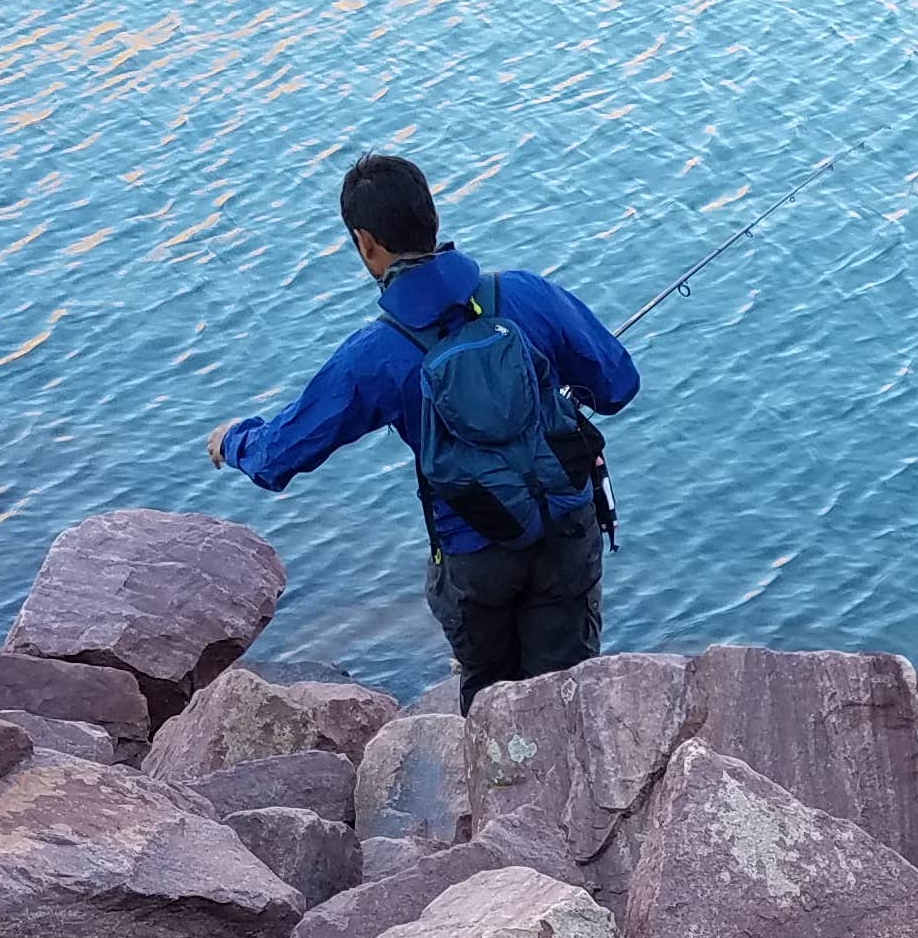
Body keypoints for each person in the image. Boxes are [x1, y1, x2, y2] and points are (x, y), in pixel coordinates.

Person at [206, 155, 639, 698]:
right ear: (432, 218)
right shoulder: (523, 294)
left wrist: (233, 439)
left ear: (365, 243)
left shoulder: (376, 354)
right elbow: (619, 385)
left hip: (476, 556)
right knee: (568, 695)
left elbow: (279, 456)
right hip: (567, 532)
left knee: (492, 708)